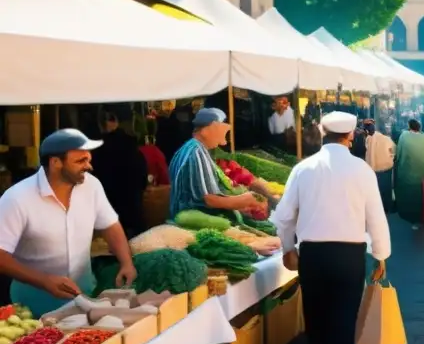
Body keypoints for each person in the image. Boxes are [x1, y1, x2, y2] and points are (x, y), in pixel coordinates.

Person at [271, 111, 391, 344]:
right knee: (341, 322)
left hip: (313, 256)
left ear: (321, 133)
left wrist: (288, 248)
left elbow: (284, 217)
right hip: (349, 256)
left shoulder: (303, 168)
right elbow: (376, 217)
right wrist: (381, 255)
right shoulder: (361, 169)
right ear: (351, 136)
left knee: (316, 321)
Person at [0, 129, 136, 314]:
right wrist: (44, 280)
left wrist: (126, 262)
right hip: (33, 307)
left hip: (85, 296)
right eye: (80, 161)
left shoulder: (92, 185)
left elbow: (110, 225)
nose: (89, 166)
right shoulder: (17, 198)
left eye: (88, 159)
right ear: (55, 163)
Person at [167, 108, 262, 219]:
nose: (224, 133)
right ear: (207, 130)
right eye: (220, 127)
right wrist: (242, 200)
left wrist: (239, 206)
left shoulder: (189, 148)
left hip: (188, 215)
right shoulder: (196, 152)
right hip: (193, 218)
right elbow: (208, 199)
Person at [90, 107, 149, 238]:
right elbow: (143, 181)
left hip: (107, 220)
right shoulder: (134, 150)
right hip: (134, 216)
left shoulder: (96, 153)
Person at [394, 118, 424, 225]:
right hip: (423, 171)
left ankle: (410, 214)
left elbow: (399, 153)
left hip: (408, 171)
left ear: (409, 126)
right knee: (420, 193)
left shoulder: (404, 136)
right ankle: (421, 213)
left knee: (410, 193)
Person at [364, 119, 396, 211]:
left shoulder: (368, 139)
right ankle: (387, 207)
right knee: (386, 189)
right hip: (385, 168)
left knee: (375, 190)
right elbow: (393, 151)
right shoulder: (387, 139)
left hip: (372, 169)